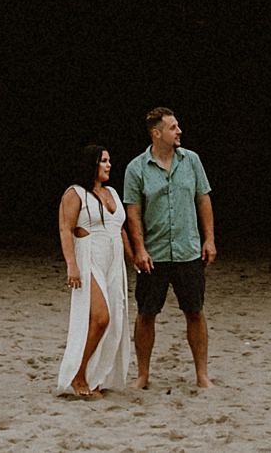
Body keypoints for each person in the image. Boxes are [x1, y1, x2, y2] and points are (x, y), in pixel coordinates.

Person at [122, 106, 215, 389]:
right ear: (156, 133)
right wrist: (139, 249)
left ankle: (202, 374)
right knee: (146, 313)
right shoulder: (136, 168)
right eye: (173, 127)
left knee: (195, 311)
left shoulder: (192, 161)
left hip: (188, 249)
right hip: (155, 252)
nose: (179, 131)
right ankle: (143, 375)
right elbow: (133, 212)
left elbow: (203, 199)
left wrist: (209, 238)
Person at [55, 143, 132, 397]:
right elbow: (66, 229)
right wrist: (72, 264)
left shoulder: (112, 192)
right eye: (103, 161)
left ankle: (96, 376)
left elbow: (120, 229)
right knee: (100, 317)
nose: (109, 165)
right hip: (89, 256)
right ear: (91, 164)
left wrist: (134, 257)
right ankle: (78, 375)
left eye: (109, 160)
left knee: (115, 319)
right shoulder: (75, 193)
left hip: (114, 258)